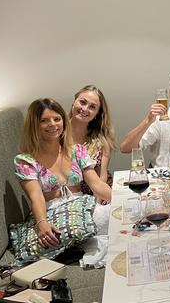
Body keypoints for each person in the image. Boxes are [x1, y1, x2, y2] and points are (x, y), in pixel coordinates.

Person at [14, 98, 112, 249]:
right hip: (53, 214)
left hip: (82, 208)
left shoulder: (77, 150)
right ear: (34, 125)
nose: (52, 124)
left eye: (57, 119)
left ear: (64, 121)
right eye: (44, 120)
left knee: (120, 216)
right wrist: (42, 223)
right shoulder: (25, 161)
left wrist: (119, 200)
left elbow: (96, 184)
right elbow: (36, 197)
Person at [69, 85, 115, 205]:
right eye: (82, 102)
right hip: (70, 197)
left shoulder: (101, 139)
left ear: (97, 114)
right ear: (74, 102)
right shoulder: (57, 133)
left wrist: (98, 205)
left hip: (99, 192)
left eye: (92, 107)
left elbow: (102, 176)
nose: (85, 109)